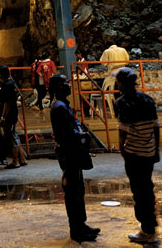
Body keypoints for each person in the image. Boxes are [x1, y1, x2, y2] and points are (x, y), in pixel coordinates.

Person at [49, 74, 100, 242]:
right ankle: (76, 228)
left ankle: (81, 224)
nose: (69, 85)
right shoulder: (59, 107)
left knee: (78, 189)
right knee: (73, 192)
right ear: (57, 87)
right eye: (65, 83)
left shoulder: (63, 105)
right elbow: (66, 135)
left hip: (72, 152)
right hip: (68, 153)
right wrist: (82, 136)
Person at [115, 67, 160, 245]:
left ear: (120, 83)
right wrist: (156, 150)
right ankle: (151, 224)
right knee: (147, 188)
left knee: (139, 192)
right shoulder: (147, 99)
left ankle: (147, 230)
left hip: (133, 154)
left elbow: (122, 133)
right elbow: (156, 127)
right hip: (148, 152)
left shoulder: (122, 102)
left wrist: (123, 153)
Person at [0, 65, 28, 168]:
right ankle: (22, 159)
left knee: (11, 137)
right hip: (13, 113)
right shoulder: (11, 84)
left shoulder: (6, 85)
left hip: (9, 115)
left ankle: (16, 161)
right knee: (14, 135)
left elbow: (7, 103)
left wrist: (3, 117)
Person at [100, 43, 130, 117]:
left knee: (114, 91)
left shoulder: (107, 51)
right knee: (125, 92)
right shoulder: (123, 50)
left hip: (113, 73)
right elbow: (127, 61)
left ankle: (116, 112)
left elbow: (103, 63)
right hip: (123, 72)